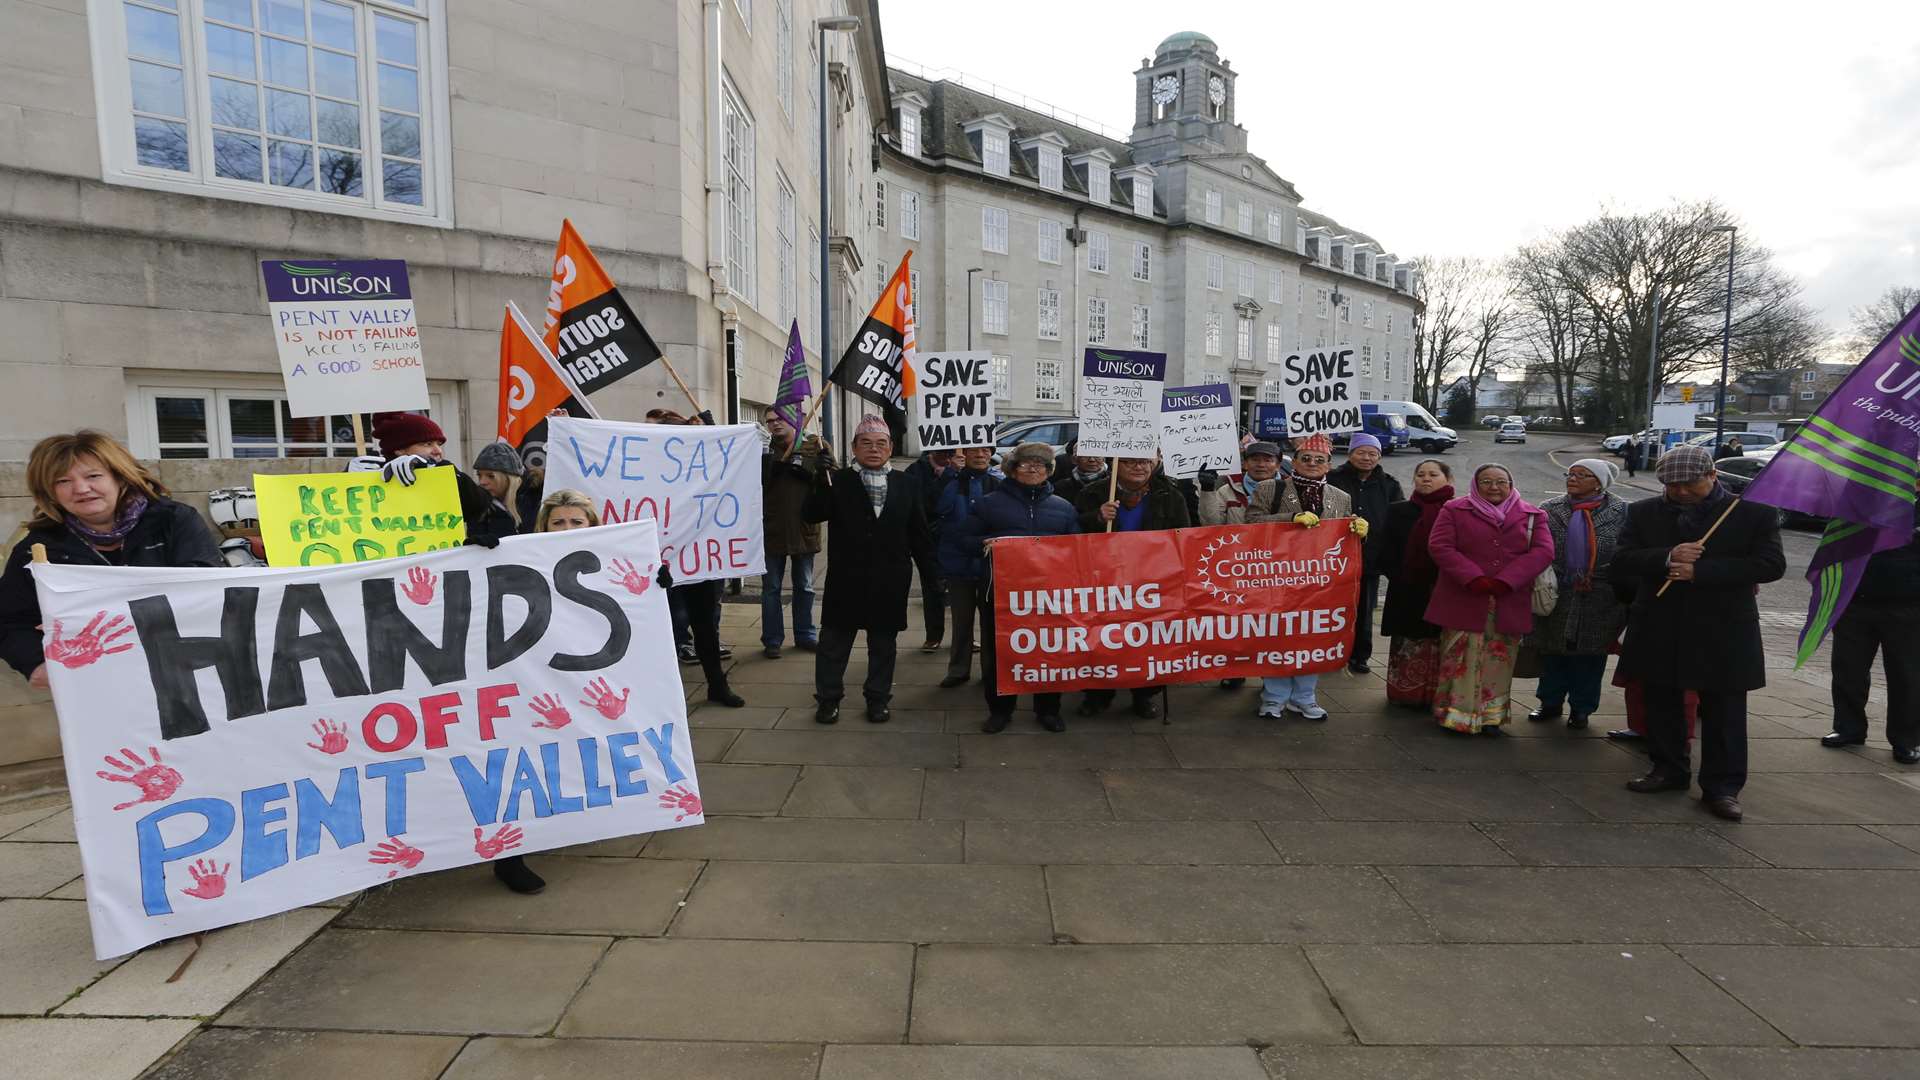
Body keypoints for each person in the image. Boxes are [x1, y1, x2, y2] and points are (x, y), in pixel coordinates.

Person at [1611, 445, 1785, 821]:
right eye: (1672, 486)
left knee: (1724, 713)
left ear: (1712, 476)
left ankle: (1722, 788)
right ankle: (1668, 769)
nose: (1682, 492)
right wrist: (1668, 557)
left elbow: (1770, 565)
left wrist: (1701, 571)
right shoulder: (1642, 512)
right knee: (1662, 703)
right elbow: (1622, 560)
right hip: (1659, 624)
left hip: (1723, 629)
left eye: (1690, 484)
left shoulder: (1752, 514)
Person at [1, 432, 222, 689]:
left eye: (93, 476)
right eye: (63, 481)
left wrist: (86, 617)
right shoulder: (37, 548)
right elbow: (8, 619)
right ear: (50, 492)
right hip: (98, 685)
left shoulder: (173, 521)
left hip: (186, 672)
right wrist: (35, 662)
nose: (81, 489)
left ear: (120, 476)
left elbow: (207, 589)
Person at [805, 415, 934, 724]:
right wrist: (819, 476)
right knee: (833, 645)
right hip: (846, 579)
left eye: (881, 444)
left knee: (883, 645)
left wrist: (932, 576)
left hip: (890, 579)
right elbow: (812, 513)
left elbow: (919, 533)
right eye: (866, 443)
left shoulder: (907, 483)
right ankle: (828, 700)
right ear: (853, 448)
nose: (873, 449)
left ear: (890, 448)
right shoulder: (839, 481)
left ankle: (878, 699)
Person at [1424, 463, 1556, 735]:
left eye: (1500, 482)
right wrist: (1473, 577)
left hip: (1508, 599)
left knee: (1499, 660)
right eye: (1486, 482)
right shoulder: (1454, 509)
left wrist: (1508, 580)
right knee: (1459, 658)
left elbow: (1543, 551)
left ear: (1510, 484)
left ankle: (1491, 717)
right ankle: (1454, 714)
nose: (1494, 487)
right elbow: (1440, 546)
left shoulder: (1534, 514)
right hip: (1464, 597)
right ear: (1475, 484)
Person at [958, 442, 1079, 732]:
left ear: (1049, 471)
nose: (1033, 468)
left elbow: (1076, 549)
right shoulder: (988, 503)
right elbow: (963, 540)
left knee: (1050, 651)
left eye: (1040, 464)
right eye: (1025, 464)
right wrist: (982, 544)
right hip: (1001, 592)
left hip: (1049, 596)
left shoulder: (1064, 508)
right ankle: (1000, 710)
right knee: (999, 652)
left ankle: (1048, 709)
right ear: (1012, 469)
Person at [1246, 433, 1358, 719]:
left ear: (1329, 465)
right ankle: (1274, 697)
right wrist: (1289, 520)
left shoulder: (1340, 497)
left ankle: (1304, 696)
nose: (1312, 463)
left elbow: (1344, 543)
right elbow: (1252, 523)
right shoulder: (1270, 489)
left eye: (1319, 460)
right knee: (1277, 637)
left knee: (1312, 639)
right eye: (1305, 458)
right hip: (1278, 578)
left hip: (1320, 582)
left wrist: (1357, 532)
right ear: (1293, 461)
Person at [1072, 453, 1190, 718]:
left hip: (1152, 581)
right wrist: (1097, 517)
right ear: (1114, 465)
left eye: (1145, 462)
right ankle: (1098, 694)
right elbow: (1072, 535)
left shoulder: (1169, 495)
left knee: (1149, 641)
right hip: (1105, 580)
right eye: (1130, 461)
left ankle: (1144, 695)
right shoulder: (1093, 493)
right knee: (1102, 638)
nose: (1139, 466)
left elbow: (1183, 536)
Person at [1527, 458, 1630, 730]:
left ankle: (1582, 708)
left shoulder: (1623, 511)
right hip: (1557, 589)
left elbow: (1628, 550)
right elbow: (1535, 545)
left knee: (1591, 654)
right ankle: (1549, 702)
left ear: (1599, 482)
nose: (1572, 479)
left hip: (1601, 593)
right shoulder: (1550, 509)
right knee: (1553, 650)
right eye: (1570, 474)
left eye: (1581, 475)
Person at [655, 411, 744, 709]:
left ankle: (717, 685)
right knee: (661, 629)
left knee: (706, 627)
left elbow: (737, 472)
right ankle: (661, 692)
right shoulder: (648, 473)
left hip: (699, 561)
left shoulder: (703, 469)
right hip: (659, 566)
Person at [1822, 511, 1920, 764]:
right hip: (1855, 601)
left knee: (1906, 676)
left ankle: (1906, 740)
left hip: (1908, 605)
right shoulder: (1864, 499)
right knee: (1848, 670)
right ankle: (1848, 728)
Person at [1197, 441, 1285, 691]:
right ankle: (1234, 670)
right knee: (1235, 625)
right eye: (1255, 459)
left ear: (1278, 464)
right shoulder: (1227, 490)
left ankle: (1271, 675)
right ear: (1245, 463)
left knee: (1272, 626)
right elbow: (1211, 524)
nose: (1261, 464)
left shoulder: (1289, 490)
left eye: (1267, 459)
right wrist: (1207, 490)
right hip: (1236, 568)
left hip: (1274, 570)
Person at [1380, 459, 1454, 708]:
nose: (1426, 478)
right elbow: (1385, 552)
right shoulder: (1398, 510)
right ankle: (1405, 694)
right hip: (1406, 589)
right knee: (1408, 641)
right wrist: (1401, 576)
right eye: (1420, 474)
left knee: (1441, 642)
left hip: (1445, 589)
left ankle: (1438, 695)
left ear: (1448, 480)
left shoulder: (1457, 510)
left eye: (1433, 474)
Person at [1328, 433, 1404, 673]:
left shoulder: (1389, 484)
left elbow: (1397, 520)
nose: (1367, 457)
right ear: (1350, 454)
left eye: (1373, 453)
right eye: (1361, 452)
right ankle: (1329, 650)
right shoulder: (1332, 478)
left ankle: (1360, 655)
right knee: (1331, 606)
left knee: (1363, 609)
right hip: (1334, 555)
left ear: (1379, 456)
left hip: (1370, 556)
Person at [759, 408, 828, 659]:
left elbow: (832, 484)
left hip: (804, 529)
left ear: (794, 419)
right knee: (771, 588)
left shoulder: (815, 445)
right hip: (772, 529)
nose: (775, 425)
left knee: (805, 586)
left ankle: (805, 634)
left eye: (780, 419)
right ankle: (772, 639)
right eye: (770, 421)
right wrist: (767, 471)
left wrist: (820, 469)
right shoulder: (763, 449)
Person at [935, 446, 1001, 688]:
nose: (980, 455)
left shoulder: (999, 484)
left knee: (991, 623)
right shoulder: (948, 482)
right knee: (961, 621)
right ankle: (958, 670)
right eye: (974, 450)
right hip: (957, 564)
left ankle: (991, 672)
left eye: (985, 450)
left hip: (990, 566)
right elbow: (937, 515)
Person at [902, 448, 954, 653]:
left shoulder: (961, 471)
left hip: (955, 539)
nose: (948, 457)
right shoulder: (916, 471)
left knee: (961, 592)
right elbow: (928, 502)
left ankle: (963, 637)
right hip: (927, 539)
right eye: (944, 453)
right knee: (933, 588)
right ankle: (934, 635)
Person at [469, 441, 524, 543]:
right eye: (479, 475)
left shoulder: (533, 501)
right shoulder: (478, 507)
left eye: (490, 476)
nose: (482, 482)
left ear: (508, 478)